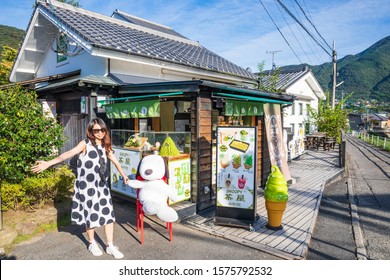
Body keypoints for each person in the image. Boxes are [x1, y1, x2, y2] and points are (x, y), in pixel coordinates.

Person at [31, 118, 129, 259]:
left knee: (108, 216)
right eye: (96, 130)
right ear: (91, 131)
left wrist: (123, 175)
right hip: (86, 188)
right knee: (91, 216)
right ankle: (91, 243)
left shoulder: (105, 145)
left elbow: (114, 160)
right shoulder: (85, 144)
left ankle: (110, 245)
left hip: (101, 186)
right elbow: (68, 154)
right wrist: (49, 163)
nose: (99, 133)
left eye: (102, 130)